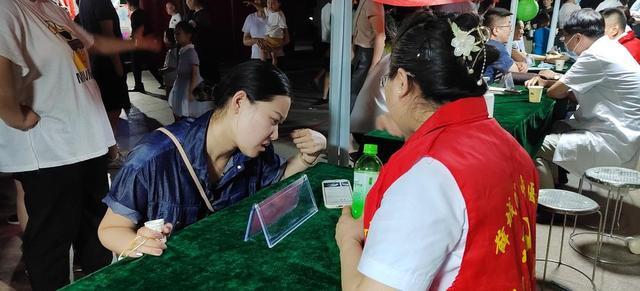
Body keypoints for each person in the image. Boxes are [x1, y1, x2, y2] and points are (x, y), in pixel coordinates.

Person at [335, 12, 537, 291]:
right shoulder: (508, 144)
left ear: (403, 83)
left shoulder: (428, 177)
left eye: (386, 82)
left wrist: (347, 238)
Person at [0, 0, 160, 289]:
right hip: (51, 151)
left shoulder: (47, 8)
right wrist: (16, 116)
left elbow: (92, 42)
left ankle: (99, 284)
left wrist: (136, 43)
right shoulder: (8, 9)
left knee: (96, 231)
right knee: (51, 241)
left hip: (83, 144)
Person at [98, 60, 327, 258]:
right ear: (239, 102)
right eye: (273, 120)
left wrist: (307, 157)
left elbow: (278, 182)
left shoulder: (255, 153)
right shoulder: (154, 156)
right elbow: (110, 229)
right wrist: (139, 243)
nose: (275, 135)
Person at [525, 9, 640, 189]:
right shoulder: (611, 46)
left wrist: (548, 81)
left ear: (577, 37)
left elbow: (555, 92)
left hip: (611, 139)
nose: (566, 45)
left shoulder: (595, 55)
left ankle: (546, 206)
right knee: (556, 126)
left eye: (565, 39)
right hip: (623, 132)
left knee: (533, 145)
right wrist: (555, 81)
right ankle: (557, 183)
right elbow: (574, 92)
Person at [78, 0, 131, 168]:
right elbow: (108, 35)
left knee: (105, 109)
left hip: (95, 62)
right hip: (107, 62)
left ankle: (111, 152)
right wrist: (118, 65)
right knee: (113, 109)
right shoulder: (101, 3)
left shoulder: (85, 3)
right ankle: (110, 155)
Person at [168, 21, 212, 119]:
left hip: (189, 86)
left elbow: (195, 73)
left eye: (179, 33)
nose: (175, 36)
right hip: (181, 84)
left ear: (188, 35)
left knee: (187, 111)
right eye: (175, 33)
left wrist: (191, 92)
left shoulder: (190, 52)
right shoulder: (183, 51)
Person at [351, 0, 385, 112]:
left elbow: (380, 35)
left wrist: (375, 65)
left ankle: (349, 125)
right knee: (354, 91)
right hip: (361, 52)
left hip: (368, 54)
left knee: (355, 92)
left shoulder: (372, 2)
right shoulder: (364, 2)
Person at [483, 8, 528, 83]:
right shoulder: (496, 48)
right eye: (508, 26)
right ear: (496, 30)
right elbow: (517, 72)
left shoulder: (485, 43)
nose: (510, 30)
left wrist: (516, 63)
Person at [127, 0, 162, 92]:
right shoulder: (143, 13)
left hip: (139, 44)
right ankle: (162, 81)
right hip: (147, 42)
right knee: (151, 64)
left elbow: (136, 31)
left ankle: (138, 85)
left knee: (135, 65)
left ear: (130, 4)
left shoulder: (134, 15)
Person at [244, 0, 288, 66]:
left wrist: (273, 48)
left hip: (278, 56)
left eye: (262, 0)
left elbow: (287, 39)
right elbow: (245, 41)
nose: (259, 2)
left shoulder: (278, 14)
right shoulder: (250, 18)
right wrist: (257, 40)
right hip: (257, 59)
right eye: (256, 0)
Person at [186, 0, 220, 84]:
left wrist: (195, 26)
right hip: (198, 51)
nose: (187, 3)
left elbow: (205, 34)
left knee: (208, 76)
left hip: (205, 52)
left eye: (188, 0)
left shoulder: (205, 14)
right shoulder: (193, 14)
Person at [159, 28, 178, 98]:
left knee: (170, 95)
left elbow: (172, 67)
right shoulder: (174, 50)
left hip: (172, 79)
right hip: (172, 79)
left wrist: (162, 71)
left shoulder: (172, 52)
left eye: (164, 36)